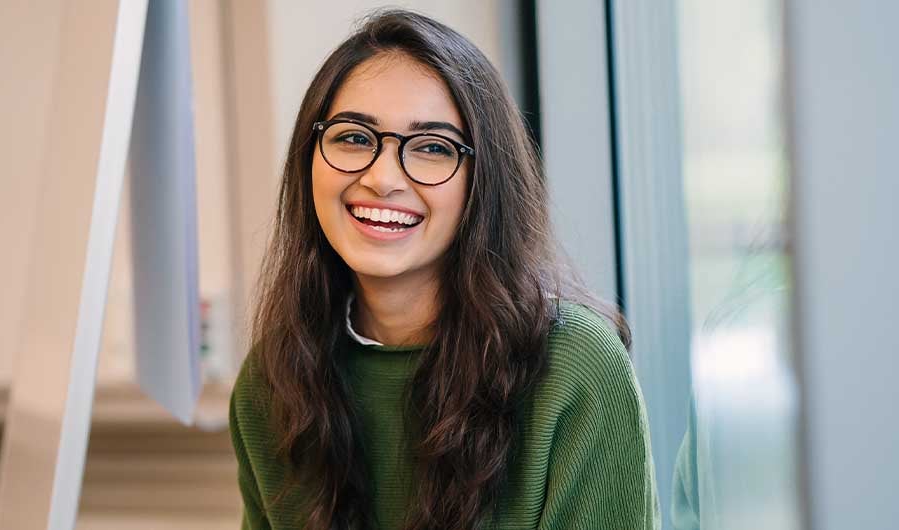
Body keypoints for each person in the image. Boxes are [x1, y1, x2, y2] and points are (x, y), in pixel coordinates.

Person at [229, 9, 660, 530]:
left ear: (484, 182)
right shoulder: (273, 383)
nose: (382, 177)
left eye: (433, 148)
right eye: (353, 138)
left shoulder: (574, 367)